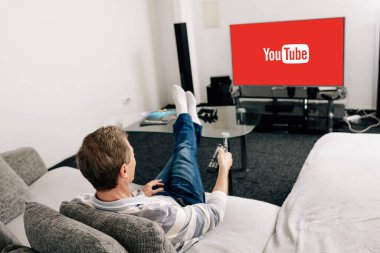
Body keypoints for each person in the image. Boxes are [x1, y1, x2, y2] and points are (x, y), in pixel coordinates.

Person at [73, 85, 233, 252]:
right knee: (184, 150)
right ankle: (188, 118)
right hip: (185, 202)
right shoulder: (159, 220)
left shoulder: (81, 203)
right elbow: (214, 212)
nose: (134, 158)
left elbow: (121, 206)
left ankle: (189, 119)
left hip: (151, 198)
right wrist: (223, 169)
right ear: (124, 171)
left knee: (182, 151)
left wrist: (140, 194)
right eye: (132, 154)